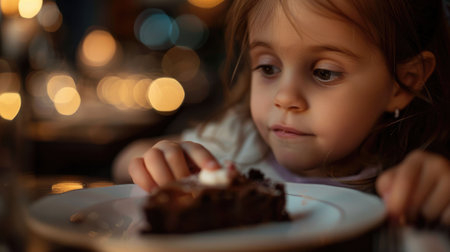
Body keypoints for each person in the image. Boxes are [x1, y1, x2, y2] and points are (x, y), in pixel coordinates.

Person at [113, 0, 450, 226]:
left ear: (403, 83)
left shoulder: (414, 181)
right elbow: (125, 161)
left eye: (324, 72)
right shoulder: (235, 140)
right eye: (268, 68)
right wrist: (161, 161)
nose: (285, 98)